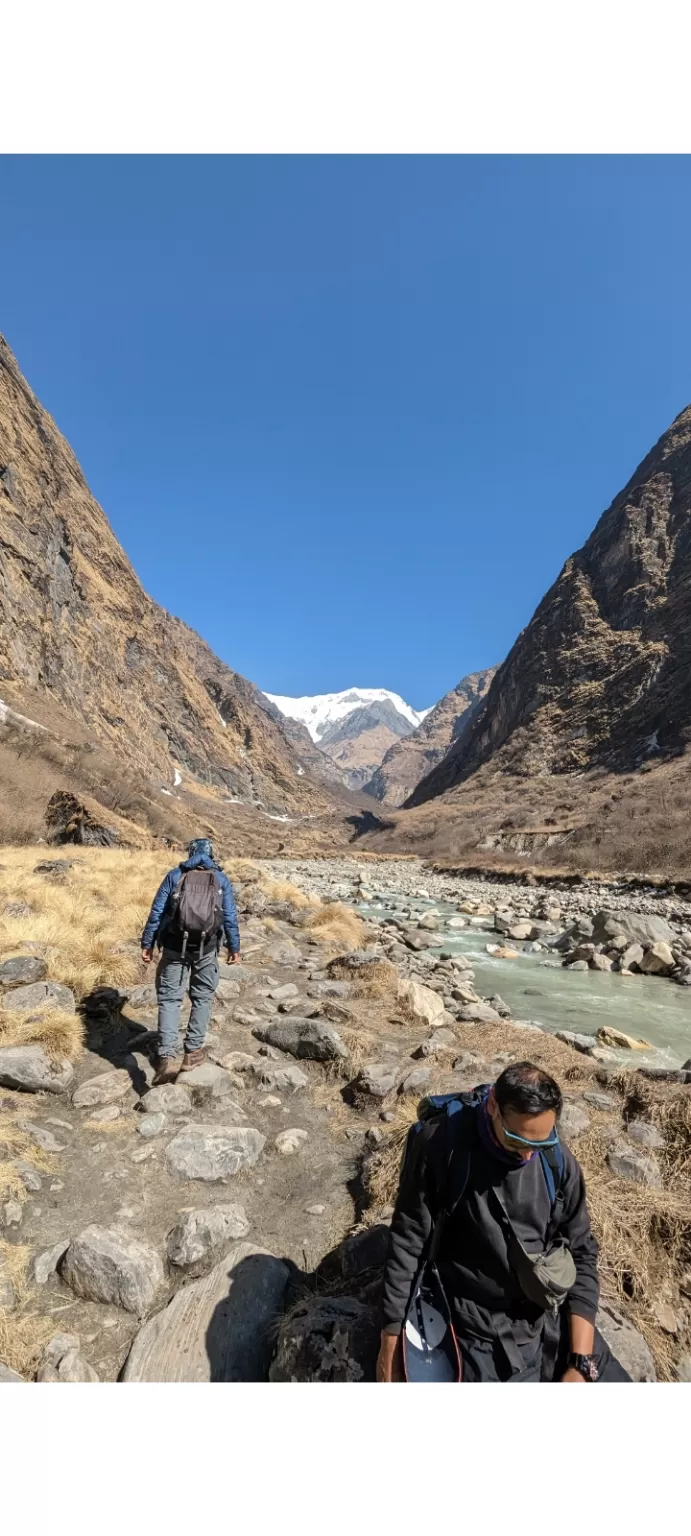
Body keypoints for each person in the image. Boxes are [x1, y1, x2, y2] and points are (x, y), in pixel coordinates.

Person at [377, 1061, 630, 1383]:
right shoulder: (442, 1145)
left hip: (547, 1310)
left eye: (540, 1143)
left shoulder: (558, 1162)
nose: (526, 1155)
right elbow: (408, 1239)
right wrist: (391, 1340)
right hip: (475, 1323)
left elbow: (581, 1250)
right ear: (493, 1105)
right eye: (516, 1140)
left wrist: (580, 1363)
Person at [141, 837, 240, 1084]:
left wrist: (147, 943)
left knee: (170, 999)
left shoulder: (175, 875)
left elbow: (157, 912)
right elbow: (229, 917)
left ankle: (166, 1057)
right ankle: (192, 1052)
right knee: (203, 996)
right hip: (206, 948)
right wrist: (234, 946)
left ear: (190, 852)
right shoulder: (220, 879)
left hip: (174, 945)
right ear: (211, 854)